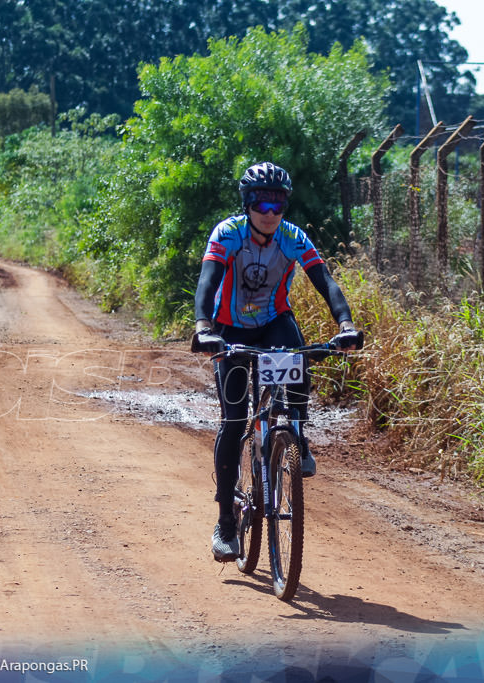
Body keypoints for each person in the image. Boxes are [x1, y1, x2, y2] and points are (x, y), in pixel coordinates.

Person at [190, 161, 362, 562]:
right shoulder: (229, 234)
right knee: (234, 421)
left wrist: (346, 325)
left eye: (278, 203)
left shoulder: (292, 237)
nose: (270, 212)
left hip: (272, 322)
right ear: (248, 203)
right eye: (262, 203)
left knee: (299, 356)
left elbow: (326, 282)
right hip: (229, 329)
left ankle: (296, 438)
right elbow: (208, 281)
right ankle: (226, 524)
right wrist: (203, 327)